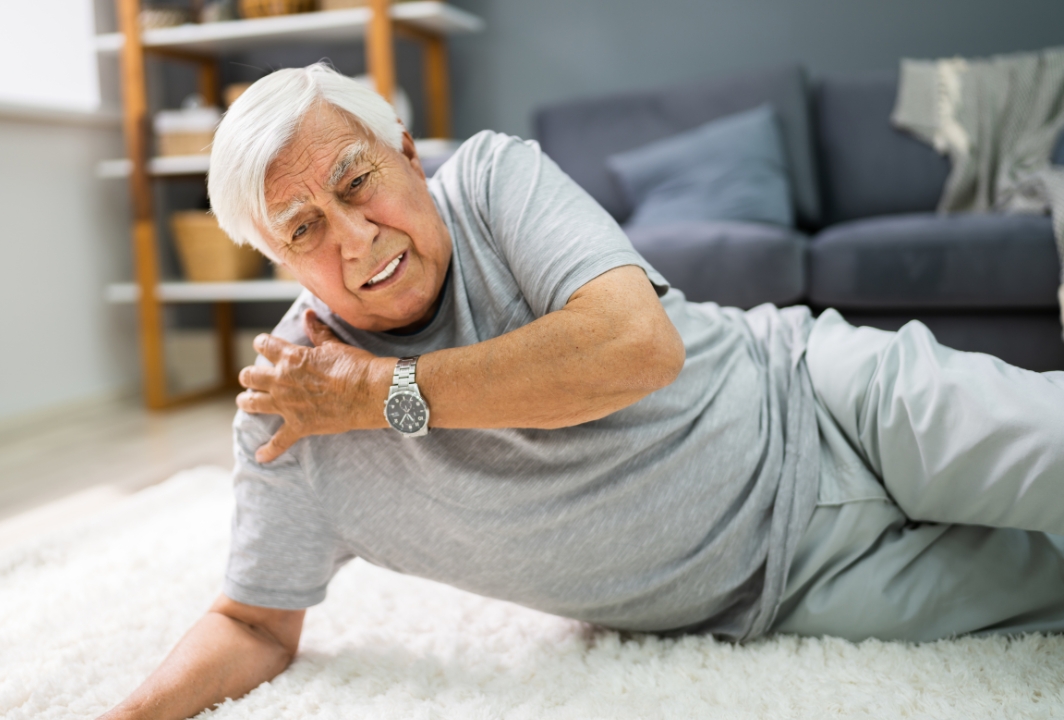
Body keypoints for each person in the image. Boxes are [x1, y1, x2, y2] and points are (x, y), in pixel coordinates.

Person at [98, 63, 1064, 720]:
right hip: (784, 586)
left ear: (403, 146)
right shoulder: (293, 414)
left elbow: (633, 348)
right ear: (279, 263)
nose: (353, 238)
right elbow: (254, 622)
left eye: (357, 182)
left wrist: (382, 394)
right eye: (304, 230)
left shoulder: (491, 180)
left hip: (823, 399)